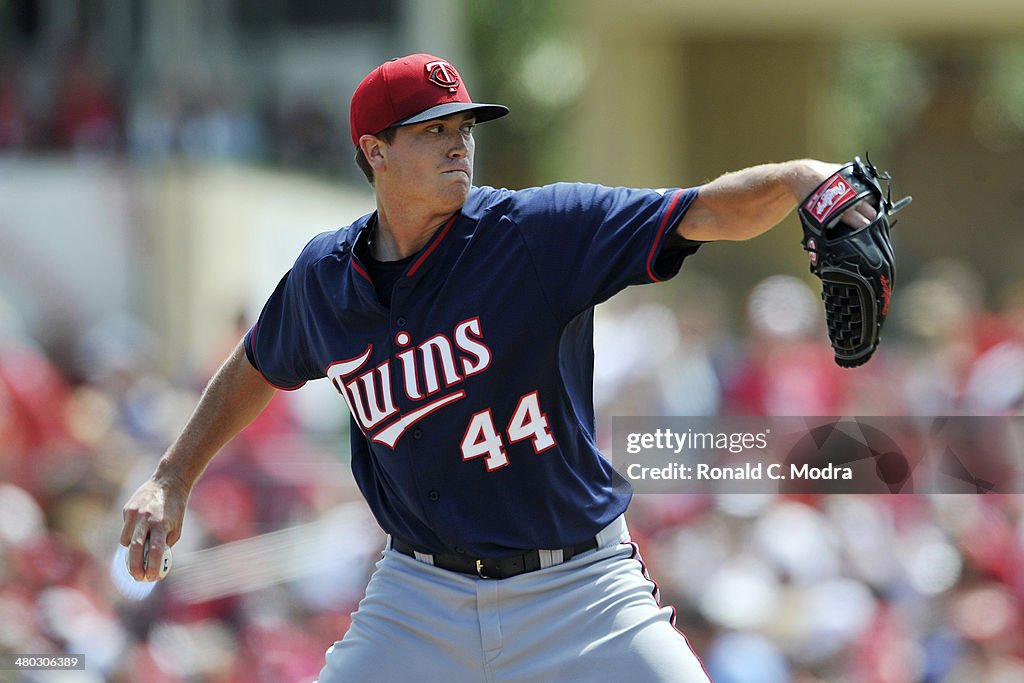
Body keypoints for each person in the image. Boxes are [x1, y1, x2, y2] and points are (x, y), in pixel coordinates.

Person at [121, 53, 874, 682]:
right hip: (419, 594)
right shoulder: (325, 279)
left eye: (464, 127)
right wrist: (173, 474)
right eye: (433, 130)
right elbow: (258, 363)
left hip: (579, 589)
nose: (460, 144)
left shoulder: (535, 233)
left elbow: (700, 211)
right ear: (374, 152)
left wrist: (802, 176)